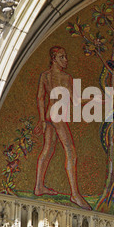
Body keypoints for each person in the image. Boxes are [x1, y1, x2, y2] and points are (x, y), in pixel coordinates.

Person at [34, 46, 91, 211]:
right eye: (62, 57)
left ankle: (39, 187)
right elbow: (76, 100)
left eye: (65, 56)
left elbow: (40, 98)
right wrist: (95, 98)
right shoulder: (65, 77)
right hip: (57, 115)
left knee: (48, 149)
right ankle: (75, 194)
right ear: (54, 58)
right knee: (71, 152)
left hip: (49, 115)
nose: (66, 60)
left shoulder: (45, 76)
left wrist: (42, 119)